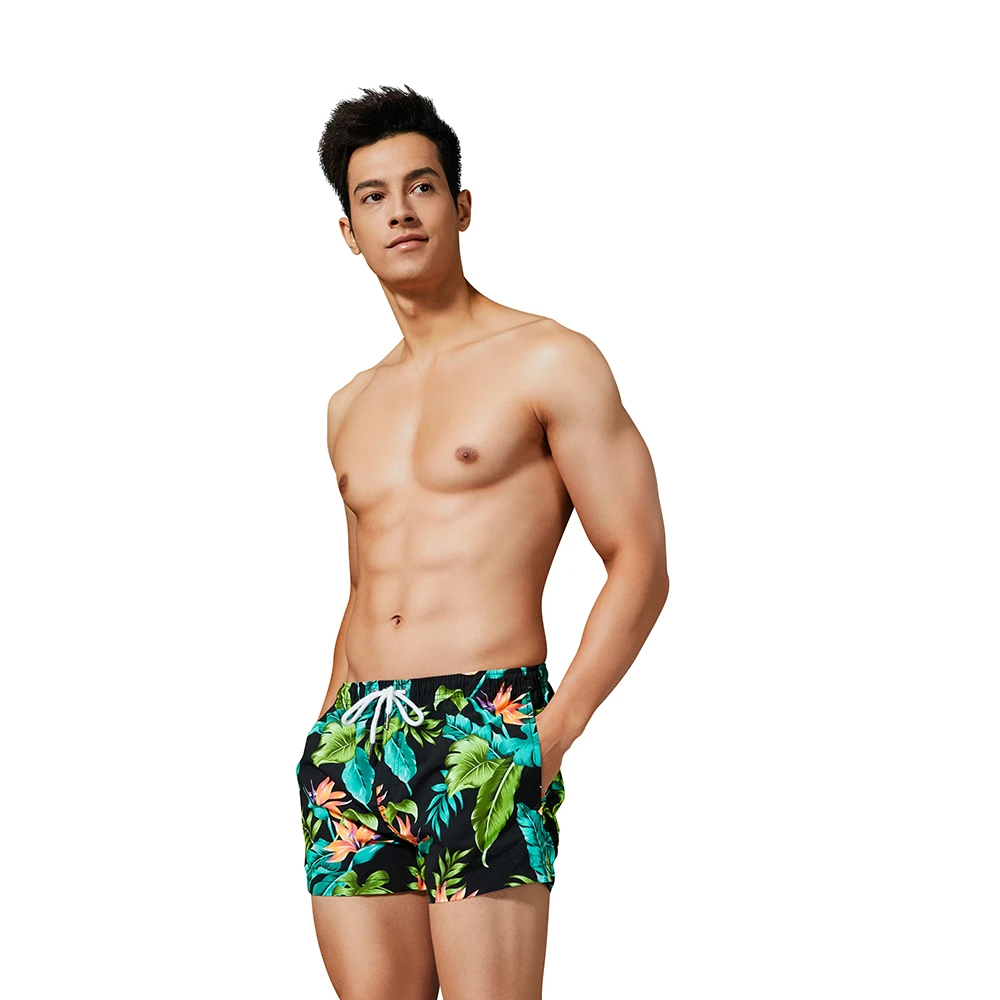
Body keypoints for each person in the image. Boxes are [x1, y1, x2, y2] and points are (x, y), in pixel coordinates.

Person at [295, 84, 670, 999]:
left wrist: (554, 729)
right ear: (349, 231)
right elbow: (365, 584)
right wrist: (325, 729)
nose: (400, 211)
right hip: (356, 740)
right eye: (374, 196)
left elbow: (640, 560)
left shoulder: (549, 359)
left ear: (461, 206)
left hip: (486, 723)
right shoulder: (348, 406)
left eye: (420, 187)